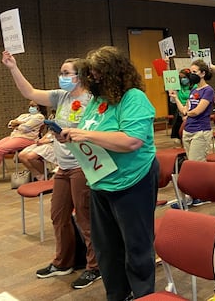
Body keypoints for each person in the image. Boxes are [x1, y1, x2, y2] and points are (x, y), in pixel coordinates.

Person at [63, 46, 159, 301]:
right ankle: (117, 294)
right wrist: (72, 136)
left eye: (97, 74)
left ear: (114, 73)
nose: (93, 80)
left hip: (132, 181)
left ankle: (142, 295)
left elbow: (131, 141)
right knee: (107, 248)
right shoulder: (97, 100)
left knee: (136, 245)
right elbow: (90, 132)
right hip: (101, 182)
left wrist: (86, 135)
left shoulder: (133, 98)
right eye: (90, 75)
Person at [1, 52, 100, 289]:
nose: (62, 77)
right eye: (61, 72)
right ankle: (63, 261)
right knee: (58, 215)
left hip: (82, 165)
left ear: (81, 76)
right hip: (63, 167)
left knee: (85, 218)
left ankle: (94, 266)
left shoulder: (92, 100)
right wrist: (13, 67)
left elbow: (95, 134)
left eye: (67, 73)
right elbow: (30, 92)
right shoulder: (60, 96)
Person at [170, 59, 215, 207]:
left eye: (195, 72)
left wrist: (188, 113)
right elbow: (184, 110)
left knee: (196, 165)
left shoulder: (208, 91)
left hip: (200, 132)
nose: (192, 75)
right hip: (188, 131)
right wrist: (175, 97)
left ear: (203, 73)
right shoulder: (193, 90)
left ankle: (199, 195)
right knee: (192, 164)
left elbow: (197, 111)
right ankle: (195, 195)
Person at [0, 100, 44, 183]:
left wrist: (17, 124)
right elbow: (10, 124)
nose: (31, 108)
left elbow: (25, 128)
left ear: (39, 107)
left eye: (33, 106)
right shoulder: (24, 115)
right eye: (30, 106)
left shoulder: (39, 117)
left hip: (27, 139)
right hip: (14, 136)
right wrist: (18, 123)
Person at [169, 68, 191, 144]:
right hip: (180, 109)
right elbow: (169, 77)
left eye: (184, 77)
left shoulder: (194, 86)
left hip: (190, 109)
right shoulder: (179, 87)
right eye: (181, 77)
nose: (182, 79)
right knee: (178, 129)